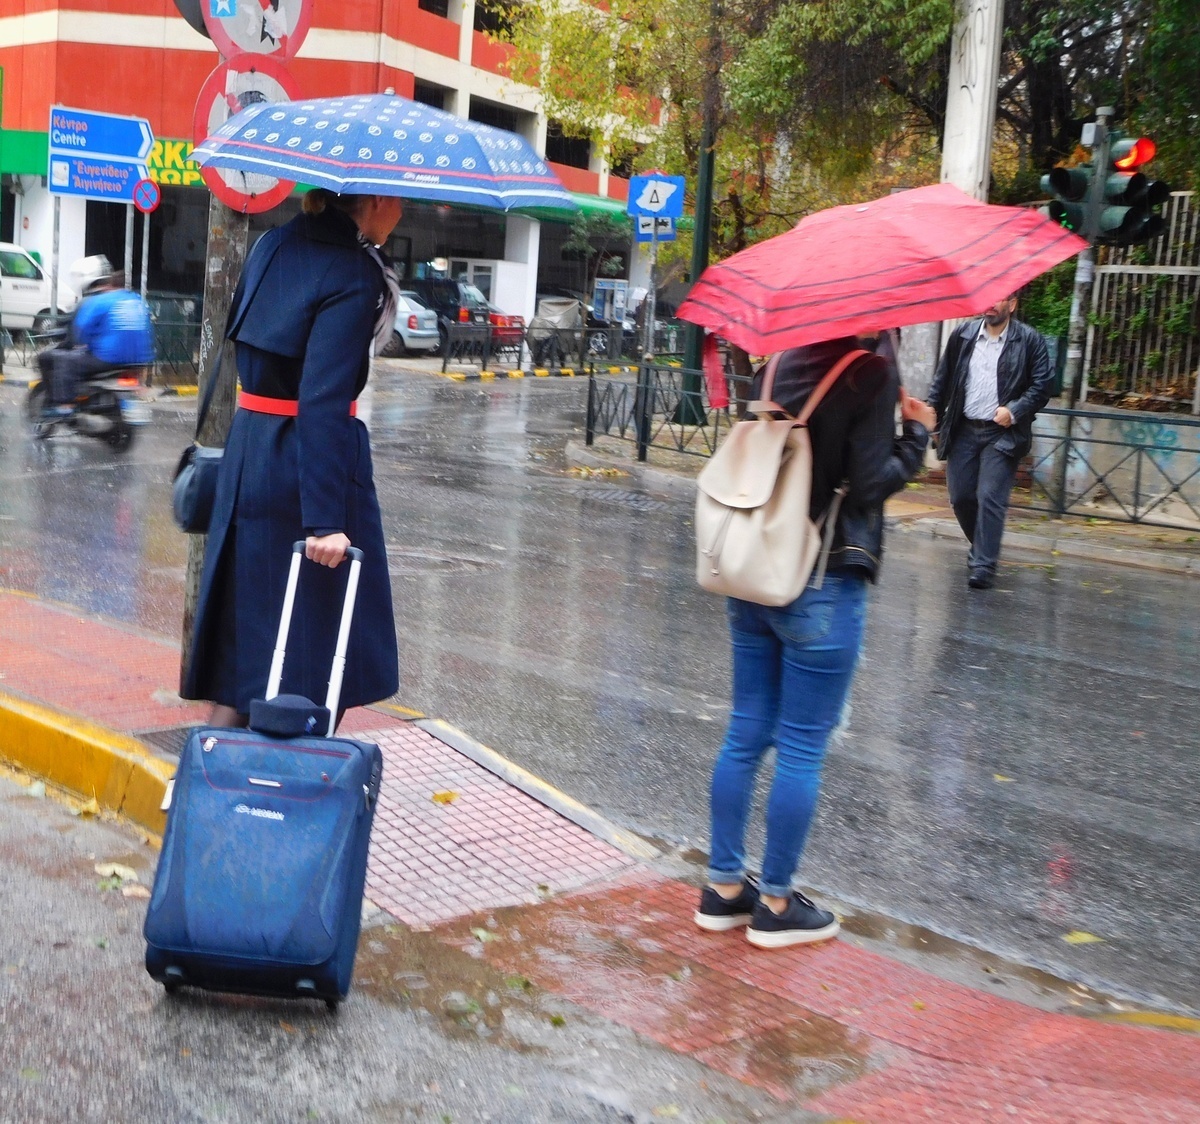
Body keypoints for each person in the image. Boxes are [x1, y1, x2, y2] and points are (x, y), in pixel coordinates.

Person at [694, 335, 935, 949]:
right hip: (820, 578)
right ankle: (776, 902)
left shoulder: (778, 364)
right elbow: (871, 483)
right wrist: (916, 434)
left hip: (754, 572)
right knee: (801, 747)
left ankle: (723, 891)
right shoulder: (869, 374)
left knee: (746, 731)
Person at [181, 189, 404, 729]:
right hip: (305, 470)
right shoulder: (353, 274)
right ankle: (282, 797)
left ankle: (202, 786)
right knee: (314, 660)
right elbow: (323, 401)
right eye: (402, 203)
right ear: (375, 201)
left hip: (250, 452)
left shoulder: (271, 245)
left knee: (247, 653)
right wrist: (326, 522)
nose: (402, 215)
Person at [926, 295, 1054, 590]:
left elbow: (1043, 384)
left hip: (1002, 433)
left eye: (1001, 298)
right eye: (988, 296)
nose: (992, 303)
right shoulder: (963, 335)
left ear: (1013, 304)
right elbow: (943, 379)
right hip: (964, 429)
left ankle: (983, 563)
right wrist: (933, 413)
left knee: (989, 497)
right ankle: (984, 544)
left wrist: (1015, 410)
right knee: (961, 497)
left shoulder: (1029, 340)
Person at [39, 257, 155, 413]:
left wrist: (75, 345)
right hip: (138, 361)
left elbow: (79, 332)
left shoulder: (102, 300)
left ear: (109, 285)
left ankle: (65, 405)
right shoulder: (138, 301)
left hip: (107, 359)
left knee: (63, 360)